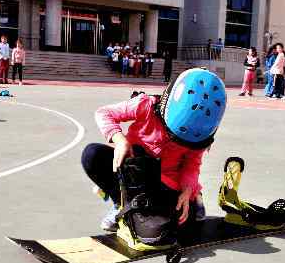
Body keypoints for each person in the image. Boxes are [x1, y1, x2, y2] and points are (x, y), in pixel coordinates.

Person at [81, 68, 227, 233]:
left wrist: (187, 190)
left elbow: (192, 165)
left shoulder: (198, 136)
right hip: (135, 169)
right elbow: (104, 113)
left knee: (185, 221)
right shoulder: (146, 105)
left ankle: (194, 196)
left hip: (167, 183)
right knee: (92, 155)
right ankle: (120, 203)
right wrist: (119, 140)